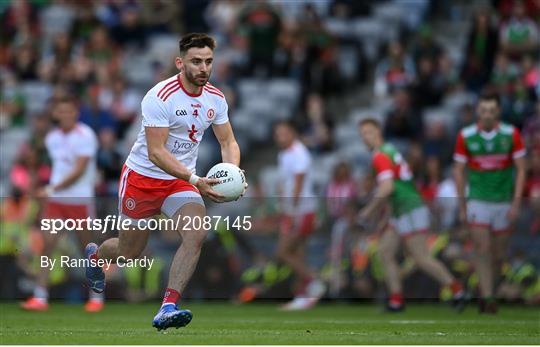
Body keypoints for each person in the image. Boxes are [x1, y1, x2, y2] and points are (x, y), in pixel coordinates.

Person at [84, 33, 245, 330]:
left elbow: (228, 141)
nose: (203, 68)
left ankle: (167, 306)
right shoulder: (160, 96)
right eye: (196, 61)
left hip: (179, 183)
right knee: (128, 253)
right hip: (143, 179)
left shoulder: (216, 98)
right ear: (180, 62)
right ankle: (96, 255)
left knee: (197, 234)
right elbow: (157, 153)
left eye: (208, 61)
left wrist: (232, 174)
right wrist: (196, 179)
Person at [357, 118, 466, 312]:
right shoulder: (389, 151)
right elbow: (398, 186)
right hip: (401, 210)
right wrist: (386, 219)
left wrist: (368, 210)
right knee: (385, 251)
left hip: (410, 209)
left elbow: (388, 188)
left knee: (421, 257)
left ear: (379, 132)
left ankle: (457, 289)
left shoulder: (380, 156)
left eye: (369, 132)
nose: (366, 137)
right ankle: (396, 300)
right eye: (363, 134)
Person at [21, 96, 103, 312]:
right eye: (61, 111)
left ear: (75, 113)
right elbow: (48, 165)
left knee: (89, 249)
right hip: (56, 202)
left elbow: (79, 170)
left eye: (69, 111)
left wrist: (50, 189)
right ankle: (40, 296)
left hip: (79, 200)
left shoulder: (86, 135)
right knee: (47, 245)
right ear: (56, 114)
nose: (65, 115)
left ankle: (96, 297)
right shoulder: (52, 138)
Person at [453, 91, 526, 314]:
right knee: (482, 248)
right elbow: (458, 171)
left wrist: (515, 203)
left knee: (499, 254)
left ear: (498, 112)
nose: (486, 115)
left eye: (491, 111)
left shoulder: (511, 134)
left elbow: (522, 169)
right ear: (478, 111)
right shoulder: (465, 136)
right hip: (478, 199)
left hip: (503, 201)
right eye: (483, 110)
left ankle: (487, 290)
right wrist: (463, 206)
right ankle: (487, 298)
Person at [273, 121, 325, 310]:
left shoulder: (299, 153)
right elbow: (284, 182)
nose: (280, 137)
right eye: (278, 134)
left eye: (284, 133)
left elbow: (298, 184)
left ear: (293, 133)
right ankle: (303, 296)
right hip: (294, 209)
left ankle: (314, 280)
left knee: (283, 251)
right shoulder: (284, 154)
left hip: (301, 209)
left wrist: (292, 211)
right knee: (298, 253)